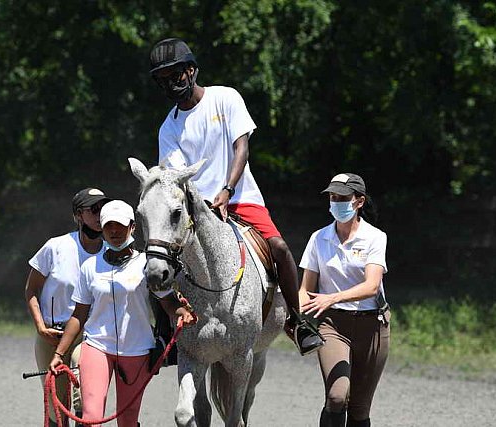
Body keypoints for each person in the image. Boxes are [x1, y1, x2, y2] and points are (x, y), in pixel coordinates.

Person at [149, 37, 311, 348]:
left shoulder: (225, 98)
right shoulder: (167, 128)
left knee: (279, 247)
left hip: (239, 197)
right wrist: (201, 206)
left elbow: (242, 147)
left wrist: (227, 188)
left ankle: (298, 320)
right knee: (158, 259)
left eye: (176, 74)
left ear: (192, 70)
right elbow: (179, 177)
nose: (171, 83)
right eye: (163, 79)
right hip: (196, 209)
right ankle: (164, 332)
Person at [49, 200, 195, 427]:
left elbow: (167, 300)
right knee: (91, 418)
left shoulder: (147, 264)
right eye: (109, 226)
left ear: (132, 227)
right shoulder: (90, 266)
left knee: (128, 421)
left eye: (120, 225)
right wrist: (59, 354)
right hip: (96, 346)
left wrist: (181, 312)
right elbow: (79, 315)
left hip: (136, 349)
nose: (114, 231)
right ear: (102, 230)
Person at [299, 173, 390, 427]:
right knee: (337, 396)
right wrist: (297, 317)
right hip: (332, 324)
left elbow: (372, 286)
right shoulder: (318, 238)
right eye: (332, 197)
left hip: (372, 326)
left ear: (358, 201)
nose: (335, 202)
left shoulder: (375, 237)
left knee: (360, 409)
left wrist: (331, 297)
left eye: (342, 197)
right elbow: (305, 289)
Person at [25, 187, 110, 427]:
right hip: (52, 335)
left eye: (103, 208)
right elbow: (31, 290)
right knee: (57, 408)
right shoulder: (55, 247)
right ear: (78, 215)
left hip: (90, 337)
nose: (99, 214)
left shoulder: (110, 254)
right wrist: (41, 328)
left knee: (85, 401)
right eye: (93, 209)